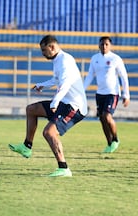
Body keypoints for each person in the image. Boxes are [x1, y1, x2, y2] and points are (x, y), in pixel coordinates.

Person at [8, 35, 88, 177]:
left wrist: (55, 101)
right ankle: (27, 147)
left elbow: (65, 84)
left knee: (49, 132)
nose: (43, 54)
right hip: (64, 103)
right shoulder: (58, 60)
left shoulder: (65, 61)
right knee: (31, 110)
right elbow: (56, 80)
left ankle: (64, 168)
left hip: (74, 107)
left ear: (52, 47)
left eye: (44, 50)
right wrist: (42, 85)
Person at [83, 36, 130, 153]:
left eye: (106, 44)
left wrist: (126, 94)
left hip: (112, 93)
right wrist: (81, 90)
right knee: (102, 119)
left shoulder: (115, 59)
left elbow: (124, 77)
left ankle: (115, 139)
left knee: (107, 116)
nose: (104, 46)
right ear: (98, 45)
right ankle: (109, 143)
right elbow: (90, 76)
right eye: (102, 44)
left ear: (110, 46)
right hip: (100, 93)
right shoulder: (95, 58)